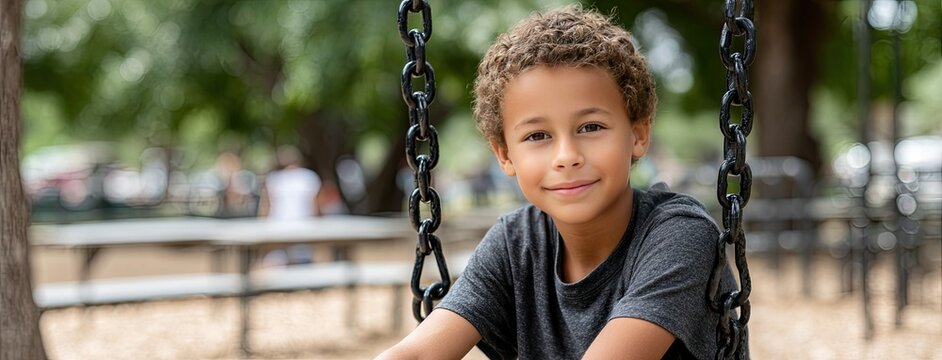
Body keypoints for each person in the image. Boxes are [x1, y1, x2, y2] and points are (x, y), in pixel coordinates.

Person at [378, 5, 740, 360]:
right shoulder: (515, 244)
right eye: (538, 135)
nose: (566, 156)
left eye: (591, 127)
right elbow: (416, 353)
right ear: (504, 154)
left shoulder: (681, 236)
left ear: (638, 134)